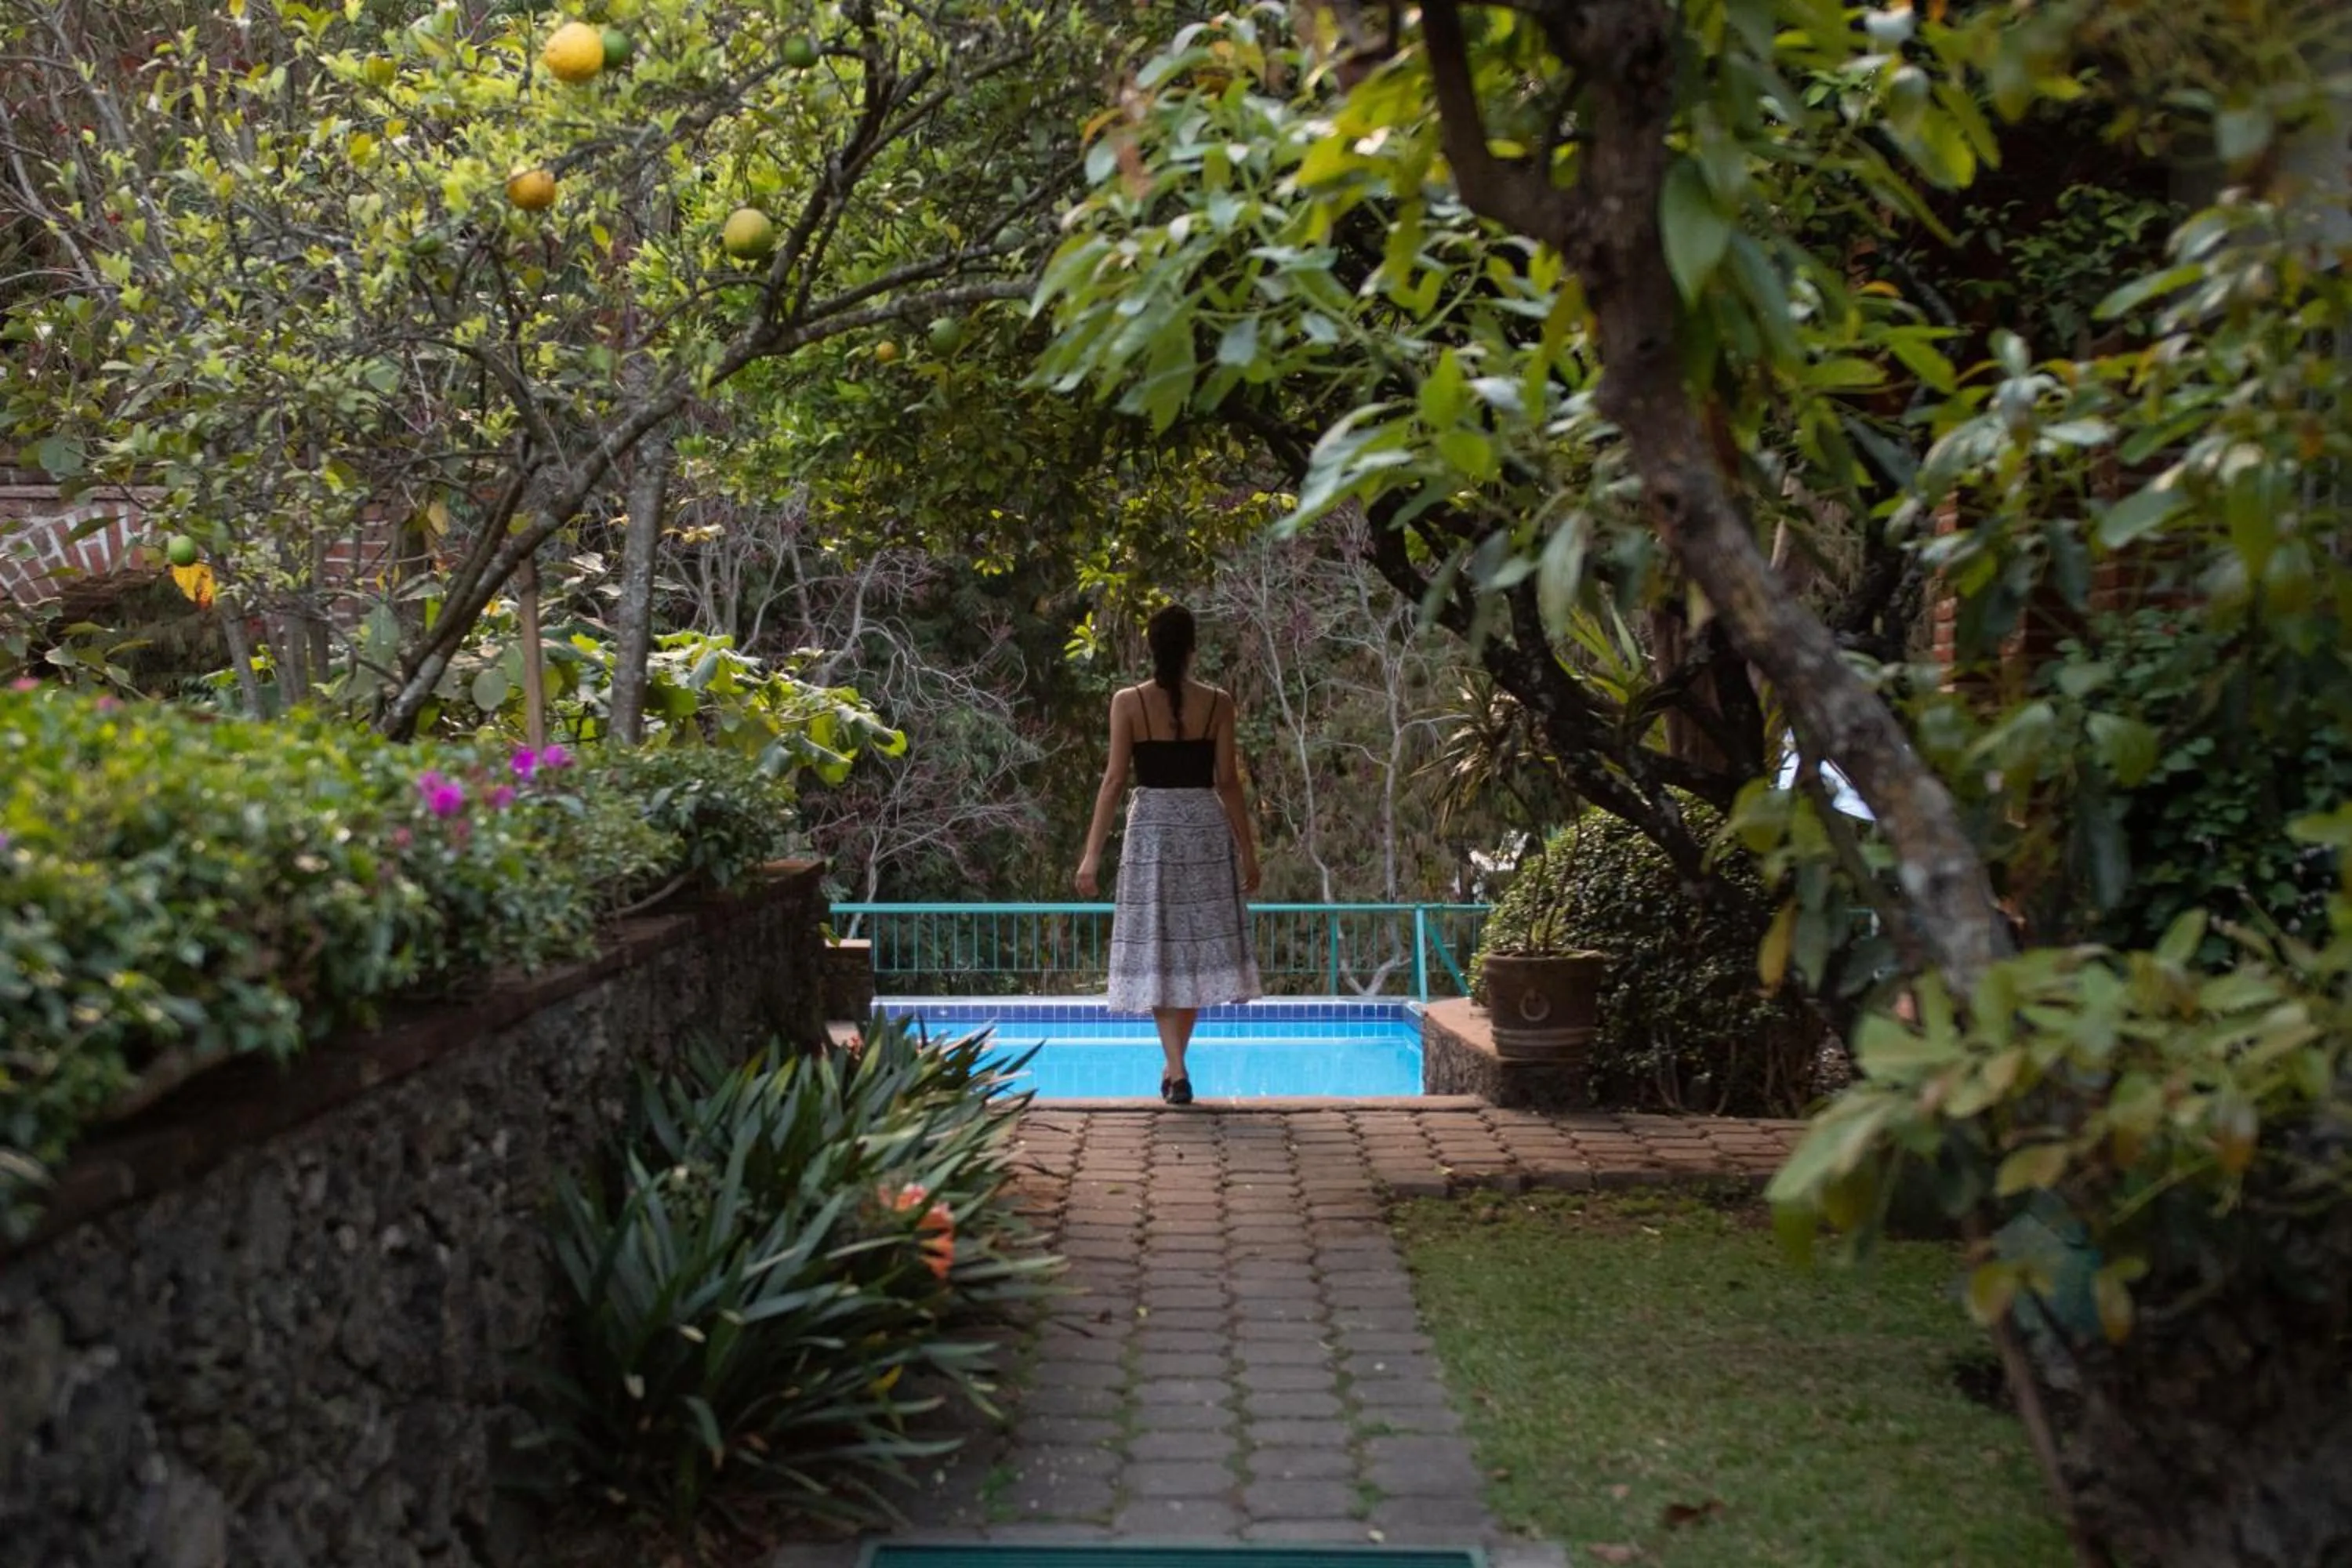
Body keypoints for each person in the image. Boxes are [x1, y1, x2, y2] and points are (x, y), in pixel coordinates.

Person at [1075, 604, 1263, 1105]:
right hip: (1204, 830)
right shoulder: (1218, 703)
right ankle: (1176, 1066)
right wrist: (1248, 853)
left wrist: (1091, 856)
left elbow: (1114, 781)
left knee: (1160, 947)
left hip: (1152, 834)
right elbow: (1227, 782)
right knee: (1194, 950)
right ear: (1192, 648)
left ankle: (1175, 1068)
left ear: (1152, 648)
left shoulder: (1127, 702)